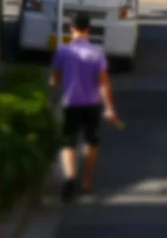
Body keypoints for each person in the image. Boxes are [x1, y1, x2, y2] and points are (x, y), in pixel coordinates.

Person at [51, 12, 120, 202]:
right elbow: (104, 83)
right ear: (88, 30)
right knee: (91, 143)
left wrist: (56, 83)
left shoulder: (63, 52)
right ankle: (87, 181)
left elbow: (55, 79)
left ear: (71, 29)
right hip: (92, 104)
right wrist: (110, 108)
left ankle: (70, 177)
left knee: (68, 143)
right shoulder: (97, 53)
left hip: (70, 103)